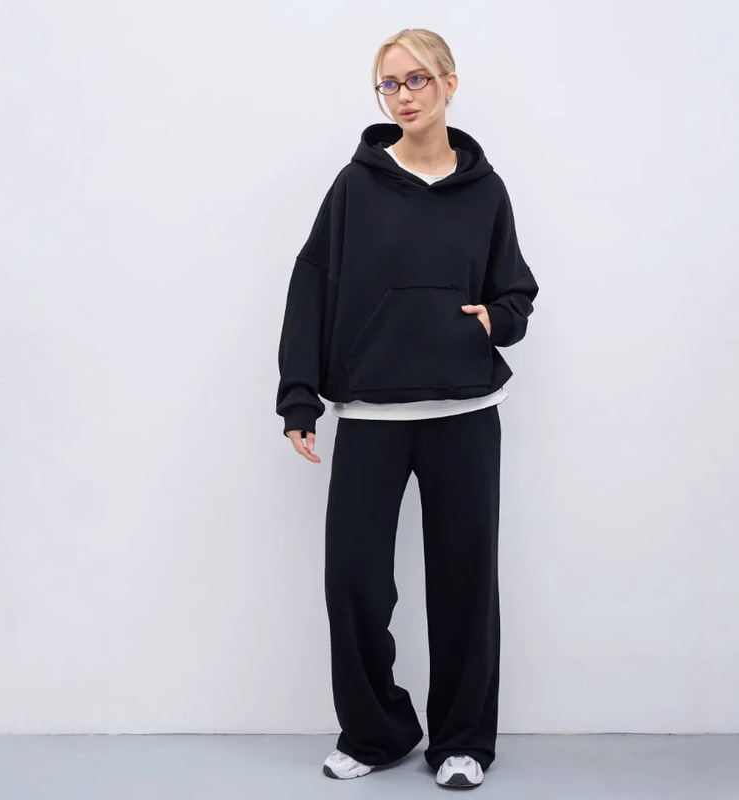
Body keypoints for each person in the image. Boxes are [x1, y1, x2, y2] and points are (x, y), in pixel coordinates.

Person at [276, 27, 539, 790]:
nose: (403, 96)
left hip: (465, 411)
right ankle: (377, 730)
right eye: (389, 84)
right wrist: (299, 396)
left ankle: (463, 741)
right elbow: (310, 286)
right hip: (372, 415)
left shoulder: (485, 191)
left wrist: (496, 320)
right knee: (354, 582)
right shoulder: (355, 187)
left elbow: (516, 290)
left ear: (450, 83)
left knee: (465, 585)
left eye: (417, 79)